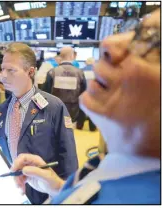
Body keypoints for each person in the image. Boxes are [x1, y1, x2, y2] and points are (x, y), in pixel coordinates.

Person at [11, 9, 161, 204]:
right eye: (137, 30)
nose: (108, 43)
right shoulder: (111, 167)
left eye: (152, 39)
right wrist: (59, 188)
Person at [0, 43, 78, 204]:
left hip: (43, 194)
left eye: (11, 70)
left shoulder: (53, 107)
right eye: (3, 69)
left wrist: (66, 196)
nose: (3, 76)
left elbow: (68, 157)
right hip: (9, 193)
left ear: (31, 71)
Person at [43, 46, 87, 123]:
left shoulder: (52, 72)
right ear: (72, 56)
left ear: (61, 56)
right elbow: (83, 93)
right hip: (73, 112)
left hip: (55, 110)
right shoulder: (80, 73)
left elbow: (45, 93)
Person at [76, 57, 96, 131]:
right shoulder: (96, 71)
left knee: (81, 110)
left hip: (82, 93)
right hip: (94, 94)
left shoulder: (81, 71)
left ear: (86, 63)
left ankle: (79, 126)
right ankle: (92, 127)